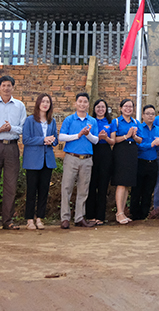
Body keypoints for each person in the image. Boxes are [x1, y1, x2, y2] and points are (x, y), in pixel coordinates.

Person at [0, 75, 26, 231]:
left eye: (9, 85)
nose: (6, 88)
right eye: (3, 85)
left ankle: (8, 220)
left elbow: (23, 128)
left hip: (12, 147)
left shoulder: (20, 106)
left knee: (11, 185)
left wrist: (11, 128)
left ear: (13, 88)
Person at [59, 92, 99, 229]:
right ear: (75, 103)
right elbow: (62, 137)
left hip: (87, 159)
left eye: (85, 102)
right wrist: (78, 135)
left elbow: (96, 140)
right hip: (71, 157)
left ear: (88, 104)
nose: (82, 104)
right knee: (66, 188)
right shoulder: (69, 120)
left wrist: (87, 135)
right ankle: (65, 218)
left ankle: (79, 217)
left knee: (83, 190)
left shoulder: (92, 121)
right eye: (80, 101)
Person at [22, 94, 57, 230]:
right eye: (43, 101)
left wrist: (52, 140)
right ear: (38, 103)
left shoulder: (51, 121)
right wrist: (42, 140)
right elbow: (26, 139)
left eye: (47, 102)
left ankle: (39, 218)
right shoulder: (30, 120)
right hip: (32, 161)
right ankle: (29, 219)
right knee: (31, 191)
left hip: (47, 160)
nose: (45, 104)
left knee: (44, 191)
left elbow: (55, 139)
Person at [130, 104, 159, 220]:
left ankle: (144, 214)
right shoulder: (138, 129)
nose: (150, 116)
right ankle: (134, 213)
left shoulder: (158, 129)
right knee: (137, 189)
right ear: (143, 115)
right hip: (141, 162)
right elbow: (138, 146)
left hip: (153, 163)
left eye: (153, 114)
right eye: (148, 114)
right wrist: (151, 144)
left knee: (148, 190)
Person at [111, 98, 141, 225]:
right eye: (126, 106)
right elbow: (113, 141)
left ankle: (123, 212)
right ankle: (118, 212)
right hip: (120, 152)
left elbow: (140, 140)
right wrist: (126, 136)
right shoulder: (116, 121)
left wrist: (134, 137)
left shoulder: (136, 122)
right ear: (121, 108)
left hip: (132, 152)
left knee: (128, 183)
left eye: (130, 107)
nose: (128, 109)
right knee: (121, 183)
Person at [86, 99, 116, 225]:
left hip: (105, 152)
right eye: (98, 107)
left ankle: (100, 216)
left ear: (106, 109)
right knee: (91, 184)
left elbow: (113, 141)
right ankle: (89, 215)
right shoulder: (91, 121)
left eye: (103, 107)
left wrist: (106, 138)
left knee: (103, 185)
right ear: (94, 109)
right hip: (93, 151)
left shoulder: (111, 122)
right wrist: (97, 137)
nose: (100, 109)